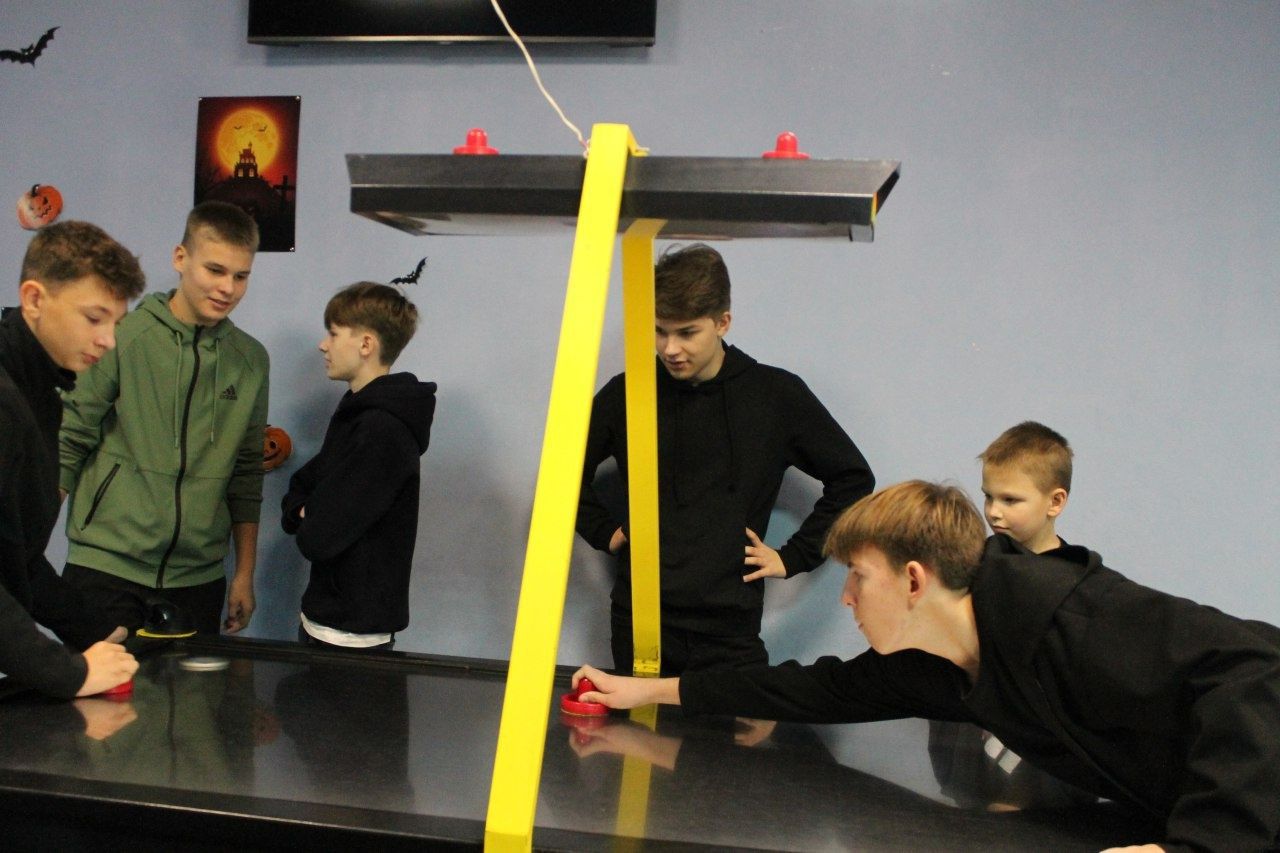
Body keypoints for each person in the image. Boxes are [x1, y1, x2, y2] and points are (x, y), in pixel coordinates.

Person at [574, 481, 1280, 852]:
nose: (846, 597)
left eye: (857, 577)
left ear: (914, 580)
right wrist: (645, 689)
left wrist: (1202, 845)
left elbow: (1252, 674)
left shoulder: (1063, 613)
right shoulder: (933, 664)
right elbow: (811, 688)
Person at [577, 243, 874, 674]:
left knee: (735, 719)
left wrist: (794, 557)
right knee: (640, 721)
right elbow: (564, 473)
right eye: (659, 331)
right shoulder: (629, 393)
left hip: (729, 628)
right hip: (640, 619)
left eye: (687, 333)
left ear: (723, 322)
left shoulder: (774, 396)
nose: (670, 348)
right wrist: (603, 531)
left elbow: (852, 478)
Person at [60, 201, 268, 635]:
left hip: (197, 582)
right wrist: (23, 551)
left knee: (194, 686)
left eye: (241, 276)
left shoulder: (251, 361)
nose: (227, 288)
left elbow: (247, 473)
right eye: (215, 270)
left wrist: (244, 574)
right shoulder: (124, 337)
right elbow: (71, 439)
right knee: (91, 683)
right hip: (105, 570)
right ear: (180, 258)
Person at [1, 221, 142, 697]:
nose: (108, 341)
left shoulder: (42, 391)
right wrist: (71, 673)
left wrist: (95, 631)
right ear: (34, 299)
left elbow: (16, 555)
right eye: (94, 318)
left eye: (115, 324)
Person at [281, 282, 435, 650]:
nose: (323, 345)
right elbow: (304, 484)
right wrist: (307, 510)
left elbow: (319, 537)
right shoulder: (357, 413)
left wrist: (309, 513)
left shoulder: (382, 430)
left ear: (366, 344)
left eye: (334, 333)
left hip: (351, 636)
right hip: (329, 622)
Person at [979, 421, 1072, 555]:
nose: (993, 512)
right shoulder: (970, 564)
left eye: (1009, 500)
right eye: (988, 497)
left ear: (1055, 502)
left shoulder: (1083, 568)